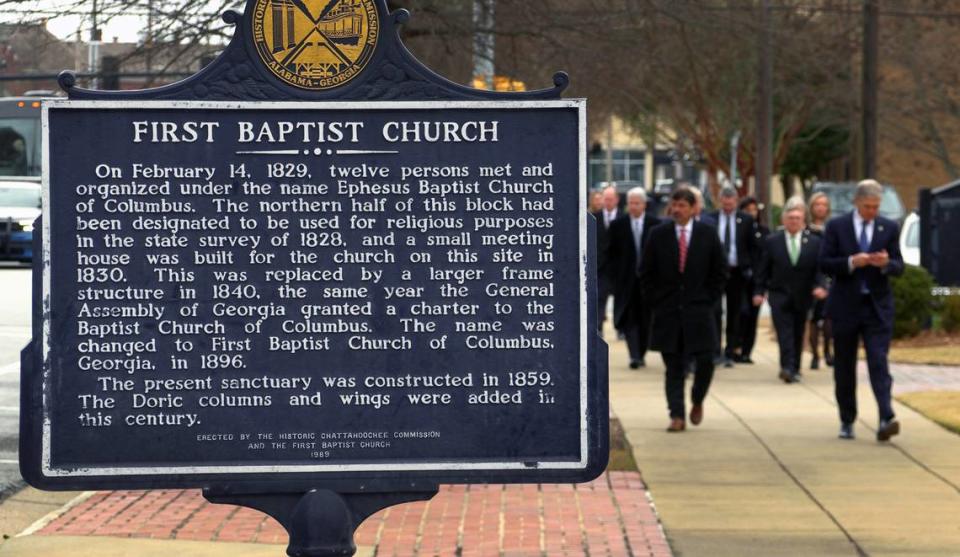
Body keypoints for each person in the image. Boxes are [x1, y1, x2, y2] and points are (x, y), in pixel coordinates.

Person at [819, 179, 904, 441]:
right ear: (857, 203)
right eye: (868, 206)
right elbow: (824, 263)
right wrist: (851, 262)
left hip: (876, 307)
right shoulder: (837, 226)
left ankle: (886, 416)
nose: (872, 211)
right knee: (844, 366)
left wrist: (886, 263)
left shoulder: (888, 227)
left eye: (876, 207)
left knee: (879, 361)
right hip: (846, 305)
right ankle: (847, 419)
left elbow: (900, 266)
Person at [640, 187, 726, 432]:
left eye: (682, 206)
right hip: (668, 313)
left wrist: (708, 299)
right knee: (674, 367)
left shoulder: (707, 235)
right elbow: (646, 272)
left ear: (694, 208)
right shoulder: (658, 234)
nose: (677, 210)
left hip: (699, 312)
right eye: (674, 205)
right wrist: (656, 300)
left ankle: (697, 399)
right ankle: (676, 414)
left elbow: (719, 272)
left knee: (706, 362)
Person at [753, 197, 828, 383]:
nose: (794, 221)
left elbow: (819, 269)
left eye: (797, 218)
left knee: (797, 332)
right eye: (790, 218)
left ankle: (795, 367)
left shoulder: (814, 242)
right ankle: (786, 366)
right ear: (784, 220)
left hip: (803, 295)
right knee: (784, 331)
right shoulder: (772, 241)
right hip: (779, 294)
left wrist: (820, 286)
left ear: (803, 221)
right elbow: (763, 269)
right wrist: (758, 292)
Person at [608, 187, 660, 368]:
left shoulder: (656, 224)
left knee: (646, 319)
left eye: (637, 203)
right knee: (630, 319)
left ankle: (642, 352)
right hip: (626, 282)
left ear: (644, 205)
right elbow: (610, 254)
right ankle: (634, 355)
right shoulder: (618, 225)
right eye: (631, 203)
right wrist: (614, 279)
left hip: (648, 282)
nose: (634, 206)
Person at [708, 187, 758, 367]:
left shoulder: (746, 220)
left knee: (735, 313)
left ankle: (730, 351)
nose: (728, 206)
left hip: (738, 272)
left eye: (731, 203)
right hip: (715, 273)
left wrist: (751, 269)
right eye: (725, 203)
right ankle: (715, 351)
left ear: (736, 202)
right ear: (720, 201)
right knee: (714, 311)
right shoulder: (711, 219)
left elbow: (753, 248)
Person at [737, 196, 769, 364]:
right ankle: (735, 346)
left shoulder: (764, 232)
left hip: (758, 279)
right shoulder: (737, 230)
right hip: (740, 278)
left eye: (754, 210)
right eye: (747, 211)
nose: (751, 214)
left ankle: (746, 351)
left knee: (752, 316)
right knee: (742, 312)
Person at [807, 192, 833, 369]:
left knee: (829, 317)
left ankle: (828, 352)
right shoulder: (807, 230)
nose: (820, 208)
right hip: (811, 277)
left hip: (830, 276)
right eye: (817, 204)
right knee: (814, 318)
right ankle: (814, 354)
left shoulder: (832, 228)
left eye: (824, 204)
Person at [593, 186, 620, 331]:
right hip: (601, 266)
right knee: (600, 297)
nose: (608, 202)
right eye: (606, 199)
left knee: (620, 299)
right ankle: (599, 327)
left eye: (611, 199)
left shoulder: (623, 218)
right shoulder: (594, 218)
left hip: (618, 267)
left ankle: (620, 327)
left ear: (616, 200)